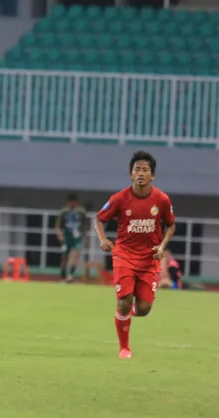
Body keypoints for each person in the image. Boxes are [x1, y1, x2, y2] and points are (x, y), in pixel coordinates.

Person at [94, 150, 175, 359]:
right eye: (137, 169)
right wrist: (103, 239)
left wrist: (162, 246)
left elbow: (171, 225)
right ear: (131, 174)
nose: (140, 173)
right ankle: (124, 348)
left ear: (152, 175)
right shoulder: (120, 199)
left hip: (149, 259)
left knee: (145, 308)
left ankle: (125, 316)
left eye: (145, 170)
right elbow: (99, 219)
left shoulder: (162, 200)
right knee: (123, 301)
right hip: (124, 255)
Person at [55, 193, 88, 282]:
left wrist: (84, 236)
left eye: (74, 202)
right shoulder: (64, 212)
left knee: (75, 255)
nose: (72, 204)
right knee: (64, 257)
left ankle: (71, 275)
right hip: (66, 236)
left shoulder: (81, 212)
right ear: (68, 202)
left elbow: (85, 225)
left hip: (77, 237)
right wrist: (59, 235)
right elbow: (58, 225)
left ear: (76, 202)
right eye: (71, 202)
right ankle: (63, 275)